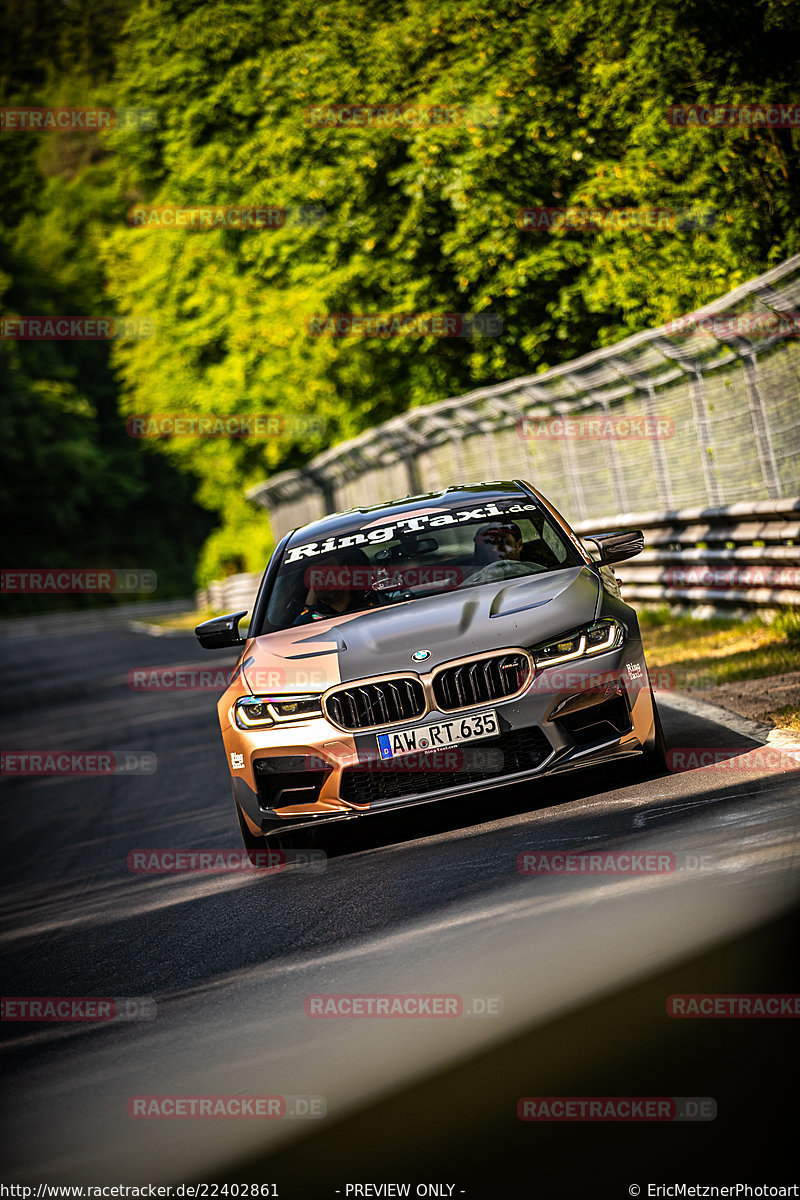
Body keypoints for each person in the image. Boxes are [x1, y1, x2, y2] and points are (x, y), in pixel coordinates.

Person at [292, 549, 379, 625]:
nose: (326, 580)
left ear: (346, 571)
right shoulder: (304, 623)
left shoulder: (379, 606)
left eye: (330, 573)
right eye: (318, 577)